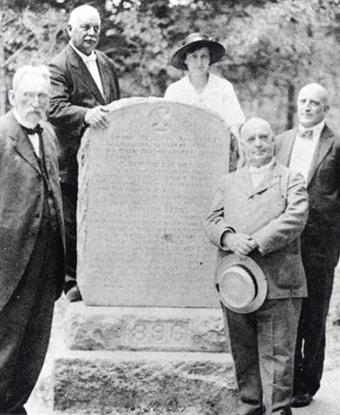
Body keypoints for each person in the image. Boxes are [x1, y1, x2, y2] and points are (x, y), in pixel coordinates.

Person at [205, 118, 308, 415]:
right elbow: (211, 220)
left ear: (273, 141)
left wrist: (257, 240)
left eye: (264, 137)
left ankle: (278, 410)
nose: (259, 144)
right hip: (235, 283)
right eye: (251, 139)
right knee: (244, 351)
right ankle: (250, 406)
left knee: (278, 355)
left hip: (278, 282)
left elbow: (296, 217)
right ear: (243, 144)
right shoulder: (228, 182)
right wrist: (229, 237)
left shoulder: (291, 178)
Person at [0, 65, 65, 415]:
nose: (36, 103)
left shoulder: (50, 134)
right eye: (28, 95)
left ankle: (15, 405)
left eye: (42, 96)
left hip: (46, 256)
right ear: (13, 97)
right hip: (9, 260)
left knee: (35, 343)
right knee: (6, 344)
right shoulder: (1, 134)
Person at [48, 4, 120, 302]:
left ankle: (101, 276)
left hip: (106, 160)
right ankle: (72, 283)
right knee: (73, 224)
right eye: (85, 27)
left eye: (96, 28)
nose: (91, 33)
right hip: (73, 162)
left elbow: (115, 103)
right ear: (70, 30)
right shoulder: (60, 65)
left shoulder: (106, 63)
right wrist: (86, 115)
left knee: (103, 219)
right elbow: (54, 108)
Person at [275, 83, 340, 407]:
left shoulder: (337, 144)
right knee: (285, 313)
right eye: (303, 101)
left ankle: (306, 384)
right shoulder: (281, 141)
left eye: (315, 103)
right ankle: (283, 381)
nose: (307, 107)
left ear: (325, 109)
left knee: (314, 315)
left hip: (320, 244)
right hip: (284, 243)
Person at [164, 32, 245, 168]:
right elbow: (168, 132)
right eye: (194, 57)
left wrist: (240, 157)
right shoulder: (175, 91)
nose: (199, 62)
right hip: (184, 158)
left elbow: (234, 125)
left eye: (204, 56)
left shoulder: (223, 87)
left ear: (210, 59)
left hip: (217, 155)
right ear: (185, 60)